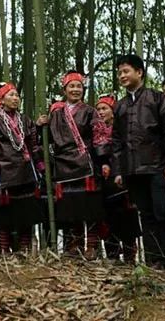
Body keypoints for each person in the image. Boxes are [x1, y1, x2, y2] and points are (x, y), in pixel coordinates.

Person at [111, 54, 165, 266]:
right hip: (132, 170)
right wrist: (118, 171)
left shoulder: (156, 98)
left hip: (157, 167)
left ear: (139, 72)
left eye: (126, 71)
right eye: (119, 73)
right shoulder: (120, 106)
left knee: (162, 213)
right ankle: (153, 261)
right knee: (146, 216)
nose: (122, 76)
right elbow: (116, 140)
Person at [37, 71, 112, 258]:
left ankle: (92, 246)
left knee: (90, 207)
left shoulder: (90, 111)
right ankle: (74, 245)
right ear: (64, 90)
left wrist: (103, 161)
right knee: (71, 207)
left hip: (85, 163)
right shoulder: (56, 113)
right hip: (63, 165)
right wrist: (41, 126)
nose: (76, 89)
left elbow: (100, 137)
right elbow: (47, 140)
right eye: (71, 86)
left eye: (79, 86)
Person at [0, 82, 45, 253]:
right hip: (5, 171)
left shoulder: (25, 120)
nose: (16, 98)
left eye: (17, 95)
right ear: (1, 99)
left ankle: (24, 250)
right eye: (11, 95)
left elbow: (33, 145)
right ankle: (4, 250)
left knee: (26, 213)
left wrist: (40, 167)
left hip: (26, 172)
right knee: (4, 215)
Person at [96, 95, 139, 262]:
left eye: (104, 108)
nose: (101, 112)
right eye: (98, 109)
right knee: (108, 218)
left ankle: (130, 254)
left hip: (122, 177)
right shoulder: (95, 131)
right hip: (104, 182)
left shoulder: (122, 128)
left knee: (127, 215)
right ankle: (112, 254)